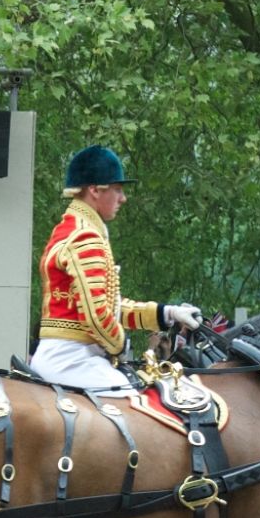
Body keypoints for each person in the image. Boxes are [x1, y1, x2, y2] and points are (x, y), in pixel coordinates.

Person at [31, 145, 202, 391]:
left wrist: (168, 314)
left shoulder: (74, 228)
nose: (123, 198)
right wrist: (120, 346)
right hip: (72, 359)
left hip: (71, 354)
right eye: (118, 190)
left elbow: (110, 307)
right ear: (94, 190)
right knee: (139, 407)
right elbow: (97, 316)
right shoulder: (85, 236)